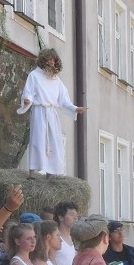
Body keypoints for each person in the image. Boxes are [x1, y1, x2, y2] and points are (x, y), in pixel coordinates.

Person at [17, 48, 85, 179]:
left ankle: (51, 173)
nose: (52, 63)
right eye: (50, 60)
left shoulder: (57, 80)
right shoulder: (34, 75)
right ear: (44, 60)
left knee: (54, 142)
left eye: (54, 60)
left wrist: (75, 108)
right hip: (39, 112)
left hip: (52, 114)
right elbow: (29, 92)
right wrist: (27, 101)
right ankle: (32, 173)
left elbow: (64, 100)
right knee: (38, 141)